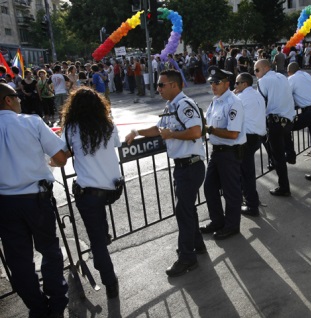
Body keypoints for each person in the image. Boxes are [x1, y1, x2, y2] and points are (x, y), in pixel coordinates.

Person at [125, 69, 206, 277]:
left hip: (191, 166)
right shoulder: (172, 105)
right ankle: (197, 245)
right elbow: (159, 129)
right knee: (187, 210)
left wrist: (173, 135)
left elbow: (196, 132)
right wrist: (137, 132)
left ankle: (187, 258)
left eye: (161, 85)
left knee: (184, 212)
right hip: (183, 167)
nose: (158, 88)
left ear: (174, 85)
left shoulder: (184, 105)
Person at [0, 83, 69, 318]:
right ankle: (57, 303)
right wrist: (47, 163)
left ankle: (37, 308)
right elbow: (61, 158)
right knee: (49, 250)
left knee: (18, 261)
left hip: (5, 204)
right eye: (16, 96)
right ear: (8, 100)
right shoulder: (32, 122)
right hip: (36, 199)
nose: (20, 99)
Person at [60, 87, 121, 298]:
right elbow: (117, 144)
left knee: (95, 237)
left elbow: (62, 154)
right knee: (99, 228)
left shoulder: (71, 129)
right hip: (112, 188)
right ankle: (102, 240)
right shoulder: (107, 125)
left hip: (89, 192)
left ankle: (109, 280)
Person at [200, 66, 246, 240]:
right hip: (217, 152)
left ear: (227, 84)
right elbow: (209, 123)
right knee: (209, 187)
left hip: (229, 153)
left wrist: (210, 129)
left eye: (217, 82)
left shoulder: (233, 103)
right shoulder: (216, 101)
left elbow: (233, 134)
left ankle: (232, 226)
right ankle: (217, 221)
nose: (213, 85)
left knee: (231, 191)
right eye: (211, 82)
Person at [254, 59, 296, 195]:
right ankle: (290, 154)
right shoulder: (282, 77)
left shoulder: (263, 81)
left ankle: (284, 187)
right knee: (280, 151)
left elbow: (259, 103)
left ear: (266, 68)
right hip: (288, 120)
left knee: (278, 157)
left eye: (257, 70)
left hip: (275, 122)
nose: (255, 73)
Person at [234, 72, 266, 216]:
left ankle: (252, 205)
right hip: (257, 137)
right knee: (247, 171)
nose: (235, 86)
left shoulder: (240, 97)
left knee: (246, 173)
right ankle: (251, 200)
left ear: (244, 84)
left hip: (247, 139)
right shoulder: (257, 94)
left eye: (237, 83)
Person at [287, 62, 311, 182]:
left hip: (310, 112)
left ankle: (290, 154)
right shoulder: (306, 75)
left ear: (289, 72)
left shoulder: (291, 79)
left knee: (286, 126)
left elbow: (287, 96)